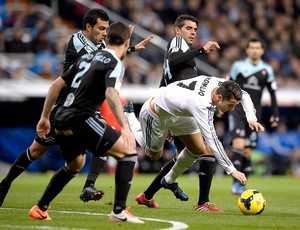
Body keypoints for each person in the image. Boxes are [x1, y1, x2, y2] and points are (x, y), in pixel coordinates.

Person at [0, 8, 153, 207]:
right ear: (88, 27)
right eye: (101, 28)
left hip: (85, 110)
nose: (104, 33)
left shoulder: (100, 47)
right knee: (36, 151)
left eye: (107, 29)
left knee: (98, 146)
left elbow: (105, 58)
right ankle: (6, 184)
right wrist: (122, 45)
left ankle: (83, 188)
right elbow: (100, 60)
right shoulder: (77, 41)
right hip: (69, 106)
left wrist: (125, 48)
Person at [28, 21, 144, 224]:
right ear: (127, 42)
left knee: (75, 165)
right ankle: (118, 211)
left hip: (61, 117)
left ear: (107, 39)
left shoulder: (87, 57)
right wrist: (125, 127)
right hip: (81, 117)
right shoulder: (115, 61)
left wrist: (45, 117)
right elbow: (111, 93)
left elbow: (56, 85)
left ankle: (40, 208)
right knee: (128, 154)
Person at [125, 76, 264, 211]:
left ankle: (169, 180)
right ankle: (130, 117)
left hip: (180, 114)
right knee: (154, 155)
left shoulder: (221, 85)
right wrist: (232, 170)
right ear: (220, 98)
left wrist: (251, 118)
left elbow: (244, 94)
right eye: (231, 105)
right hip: (156, 115)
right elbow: (213, 140)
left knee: (199, 149)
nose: (232, 109)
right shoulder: (201, 105)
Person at [129, 14, 222, 211]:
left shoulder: (184, 50)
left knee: (188, 155)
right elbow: (173, 59)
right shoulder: (177, 43)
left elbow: (165, 77)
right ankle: (131, 120)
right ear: (177, 30)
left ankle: (148, 195)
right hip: (178, 108)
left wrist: (168, 117)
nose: (193, 32)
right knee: (158, 154)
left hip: (176, 110)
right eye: (189, 28)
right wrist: (201, 50)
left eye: (195, 30)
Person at [228, 38, 279, 195]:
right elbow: (227, 86)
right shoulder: (238, 67)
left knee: (247, 153)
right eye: (252, 47)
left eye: (258, 47)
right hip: (237, 111)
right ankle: (236, 184)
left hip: (255, 114)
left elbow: (273, 93)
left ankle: (242, 182)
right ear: (247, 50)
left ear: (262, 51)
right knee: (238, 144)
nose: (255, 50)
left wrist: (275, 115)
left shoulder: (267, 70)